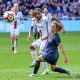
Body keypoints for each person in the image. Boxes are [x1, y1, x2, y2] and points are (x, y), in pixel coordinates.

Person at [28, 8, 49, 75]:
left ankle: (41, 71)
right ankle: (34, 62)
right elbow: (31, 27)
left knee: (40, 56)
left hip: (46, 39)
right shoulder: (34, 19)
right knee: (31, 46)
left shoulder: (45, 19)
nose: (37, 15)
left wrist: (46, 37)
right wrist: (30, 34)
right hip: (41, 39)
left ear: (41, 13)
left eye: (38, 13)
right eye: (36, 14)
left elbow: (51, 30)